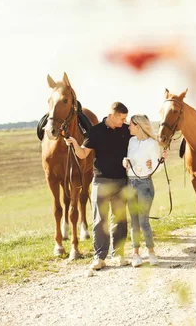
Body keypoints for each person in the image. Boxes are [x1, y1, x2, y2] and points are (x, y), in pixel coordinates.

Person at [65, 101, 138, 271]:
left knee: (119, 220)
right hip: (101, 181)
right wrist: (75, 144)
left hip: (122, 182)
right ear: (112, 116)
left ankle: (118, 255)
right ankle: (99, 257)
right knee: (100, 221)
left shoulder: (126, 131)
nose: (124, 121)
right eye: (121, 118)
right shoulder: (95, 131)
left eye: (125, 118)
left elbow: (142, 141)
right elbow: (83, 154)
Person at [123, 114, 168, 267]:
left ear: (138, 126)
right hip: (130, 183)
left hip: (144, 184)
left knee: (143, 221)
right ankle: (135, 254)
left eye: (131, 125)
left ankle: (151, 252)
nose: (128, 127)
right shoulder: (131, 141)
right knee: (134, 221)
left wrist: (154, 164)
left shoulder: (151, 143)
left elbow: (159, 167)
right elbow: (129, 159)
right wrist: (125, 161)